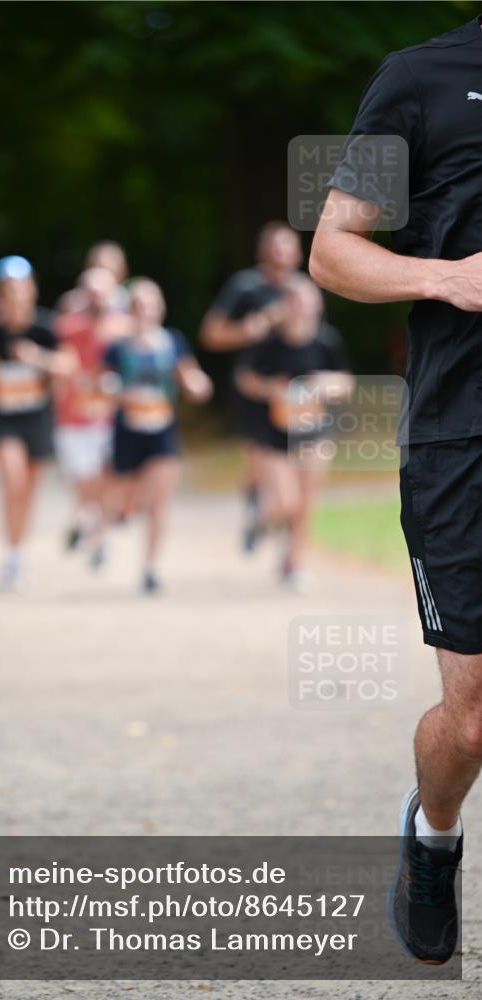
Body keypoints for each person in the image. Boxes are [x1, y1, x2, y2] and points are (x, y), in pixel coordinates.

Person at [309, 14, 482, 965]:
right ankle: (434, 830)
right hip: (464, 432)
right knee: (473, 715)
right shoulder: (420, 78)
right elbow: (335, 251)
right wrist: (446, 277)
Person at [234, 275, 353, 591]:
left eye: (308, 299)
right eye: (295, 300)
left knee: (306, 502)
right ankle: (261, 518)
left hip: (314, 432)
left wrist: (324, 383)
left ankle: (293, 564)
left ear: (318, 304)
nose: (302, 306)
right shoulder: (268, 344)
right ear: (285, 306)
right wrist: (269, 389)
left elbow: (345, 383)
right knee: (285, 502)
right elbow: (244, 378)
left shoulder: (327, 341)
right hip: (273, 433)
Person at [103, 279, 212, 593]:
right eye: (138, 306)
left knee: (159, 502)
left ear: (160, 309)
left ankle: (150, 567)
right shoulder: (118, 347)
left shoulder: (172, 342)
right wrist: (110, 391)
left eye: (151, 305)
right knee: (128, 499)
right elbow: (98, 382)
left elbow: (189, 373)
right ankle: (114, 520)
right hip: (127, 431)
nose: (145, 312)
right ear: (129, 310)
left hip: (163, 430)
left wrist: (196, 384)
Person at [200, 222, 303, 551]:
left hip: (296, 396)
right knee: (264, 462)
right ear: (262, 251)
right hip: (254, 390)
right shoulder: (245, 287)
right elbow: (211, 333)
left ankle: (277, 537)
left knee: (292, 472)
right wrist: (248, 330)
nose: (281, 254)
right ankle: (260, 511)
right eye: (275, 247)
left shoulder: (303, 291)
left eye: (287, 247)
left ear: (298, 254)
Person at [0, 263, 76, 591]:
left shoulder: (46, 327)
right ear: (0, 294)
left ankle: (18, 555)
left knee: (28, 490)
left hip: (37, 417)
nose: (15, 296)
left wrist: (37, 358)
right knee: (12, 479)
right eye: (8, 290)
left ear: (31, 290)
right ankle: (11, 554)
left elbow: (67, 365)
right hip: (4, 418)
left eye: (20, 289)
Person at [54, 267, 129, 564]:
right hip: (74, 419)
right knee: (86, 482)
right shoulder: (67, 328)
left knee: (106, 478)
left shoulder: (124, 328)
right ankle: (83, 520)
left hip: (110, 419)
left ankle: (97, 536)